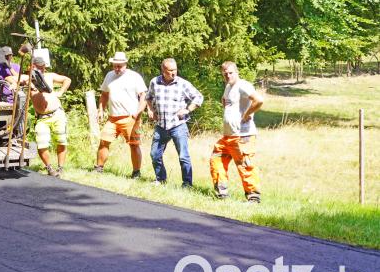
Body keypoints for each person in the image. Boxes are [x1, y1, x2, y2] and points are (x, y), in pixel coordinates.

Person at [210, 61, 264, 203]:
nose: (228, 76)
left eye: (230, 73)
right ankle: (222, 193)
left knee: (245, 165)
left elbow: (259, 100)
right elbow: (225, 101)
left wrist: (246, 114)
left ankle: (253, 197)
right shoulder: (228, 86)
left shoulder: (243, 85)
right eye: (225, 74)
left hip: (242, 135)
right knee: (217, 158)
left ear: (236, 72)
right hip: (228, 136)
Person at [145, 58, 204, 187]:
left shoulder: (182, 84)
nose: (173, 73)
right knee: (155, 154)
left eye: (175, 70)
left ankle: (187, 184)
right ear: (163, 70)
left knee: (183, 156)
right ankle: (160, 179)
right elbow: (148, 97)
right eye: (170, 70)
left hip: (178, 125)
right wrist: (150, 110)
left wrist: (187, 109)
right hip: (161, 125)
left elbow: (198, 97)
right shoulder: (155, 82)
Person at [94, 52, 147, 178]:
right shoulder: (109, 75)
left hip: (130, 118)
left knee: (134, 145)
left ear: (125, 64)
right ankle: (99, 168)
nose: (117, 69)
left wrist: (138, 113)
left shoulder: (134, 76)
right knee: (104, 141)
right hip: (112, 118)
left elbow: (143, 96)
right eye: (115, 66)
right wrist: (100, 109)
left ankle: (136, 172)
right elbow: (104, 94)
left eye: (120, 66)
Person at [18, 56, 71, 177]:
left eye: (43, 68)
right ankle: (49, 168)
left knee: (62, 140)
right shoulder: (28, 79)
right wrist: (17, 83)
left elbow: (67, 80)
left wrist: (61, 92)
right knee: (42, 143)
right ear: (32, 67)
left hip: (57, 113)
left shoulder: (50, 76)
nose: (42, 70)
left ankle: (61, 168)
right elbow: (15, 79)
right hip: (42, 117)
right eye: (39, 68)